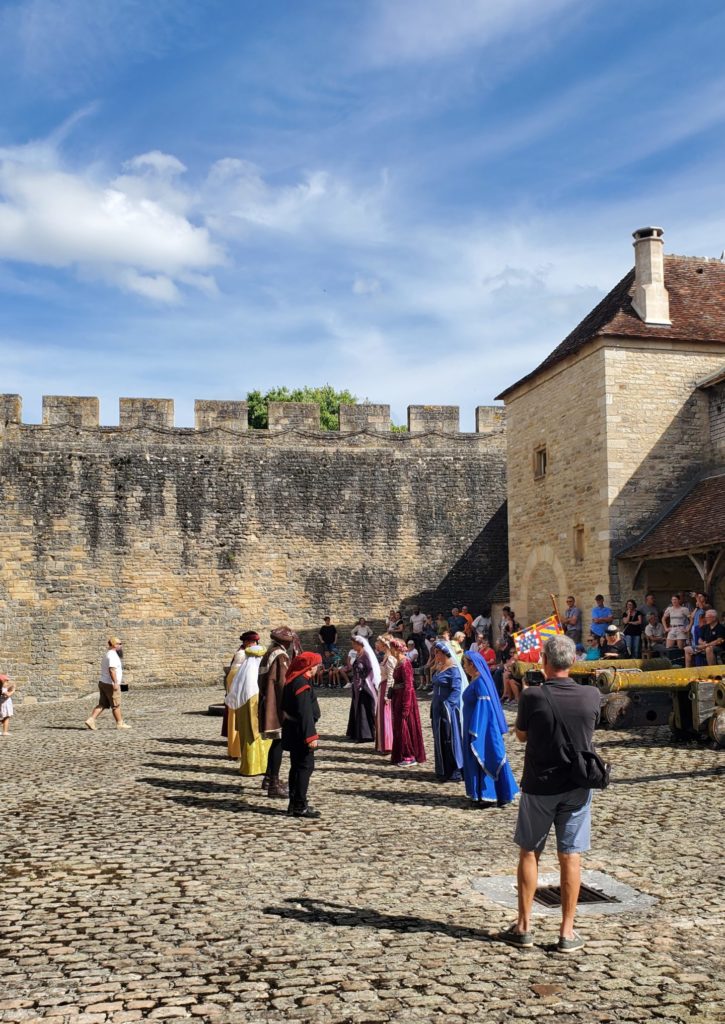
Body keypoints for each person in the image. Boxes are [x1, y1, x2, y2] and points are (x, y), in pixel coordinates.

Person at [498, 635, 601, 952]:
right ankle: (567, 931)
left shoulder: (532, 697)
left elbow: (521, 736)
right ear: (572, 663)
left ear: (544, 663)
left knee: (530, 852)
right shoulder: (592, 695)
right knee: (571, 855)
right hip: (577, 784)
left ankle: (524, 925)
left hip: (540, 783)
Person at [461, 651, 519, 808]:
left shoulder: (480, 683)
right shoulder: (476, 679)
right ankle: (478, 793)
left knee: (486, 755)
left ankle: (488, 794)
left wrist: (476, 730)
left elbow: (484, 708)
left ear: (472, 664)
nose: (464, 667)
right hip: (473, 724)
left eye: (465, 664)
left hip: (481, 728)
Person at [258, 626, 300, 799]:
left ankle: (269, 778)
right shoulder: (280, 656)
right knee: (278, 743)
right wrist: (290, 705)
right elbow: (282, 683)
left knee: (276, 742)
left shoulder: (270, 652)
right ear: (285, 642)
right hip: (276, 705)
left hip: (268, 701)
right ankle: (273, 784)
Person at [281, 652, 322, 818]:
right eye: (317, 665)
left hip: (294, 730)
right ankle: (299, 805)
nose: (318, 668)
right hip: (300, 732)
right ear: (310, 667)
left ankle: (294, 803)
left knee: (297, 767)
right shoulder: (300, 684)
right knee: (305, 767)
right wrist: (311, 737)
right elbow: (304, 713)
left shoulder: (295, 681)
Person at [225, 640, 270, 777]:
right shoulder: (253, 676)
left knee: (246, 739)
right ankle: (255, 767)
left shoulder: (242, 674)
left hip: (244, 714)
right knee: (254, 739)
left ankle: (249, 766)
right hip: (253, 714)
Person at [430, 641, 466, 781]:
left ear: (445, 653)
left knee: (449, 738)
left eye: (438, 652)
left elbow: (456, 690)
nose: (435, 654)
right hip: (437, 708)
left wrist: (448, 705)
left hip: (448, 711)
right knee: (438, 737)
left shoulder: (453, 670)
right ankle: (442, 768)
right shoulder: (439, 667)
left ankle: (454, 770)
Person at [388, 638, 427, 766]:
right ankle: (401, 753)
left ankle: (409, 755)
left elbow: (409, 685)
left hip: (405, 698)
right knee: (399, 727)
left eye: (392, 648)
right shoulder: (399, 662)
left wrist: (406, 705)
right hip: (397, 697)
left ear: (396, 649)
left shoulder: (405, 663)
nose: (391, 651)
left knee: (404, 726)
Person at [85, 637, 130, 731]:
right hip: (110, 684)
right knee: (116, 704)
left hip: (103, 682)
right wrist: (115, 683)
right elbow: (112, 670)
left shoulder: (108, 654)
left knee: (102, 704)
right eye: (119, 644)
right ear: (114, 645)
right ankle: (120, 723)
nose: (121, 646)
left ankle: (91, 719)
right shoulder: (112, 655)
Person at [346, 635, 380, 742]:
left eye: (354, 644)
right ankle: (356, 732)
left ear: (360, 645)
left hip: (365, 686)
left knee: (364, 708)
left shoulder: (366, 655)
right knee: (357, 707)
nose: (353, 646)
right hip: (357, 684)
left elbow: (371, 669)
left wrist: (364, 680)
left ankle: (366, 734)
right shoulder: (358, 654)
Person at [374, 636, 395, 754]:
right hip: (382, 686)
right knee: (380, 716)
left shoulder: (390, 659)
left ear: (384, 645)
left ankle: (388, 744)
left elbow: (391, 678)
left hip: (386, 688)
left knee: (385, 716)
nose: (377, 644)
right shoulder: (385, 658)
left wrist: (387, 695)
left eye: (379, 643)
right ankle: (382, 744)